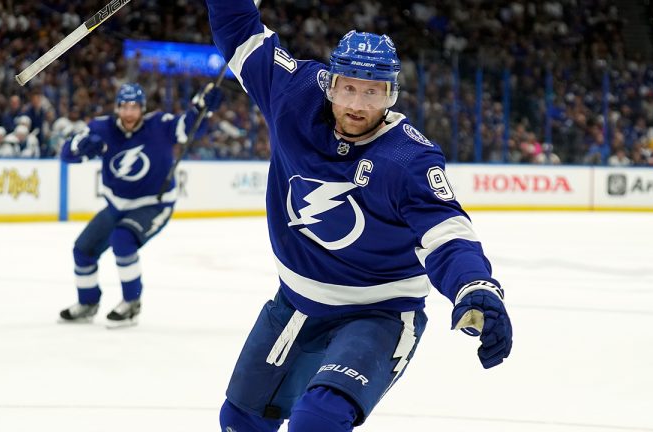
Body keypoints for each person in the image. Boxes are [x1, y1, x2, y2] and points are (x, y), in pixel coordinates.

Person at [204, 2, 513, 431]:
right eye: (349, 88)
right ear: (330, 85)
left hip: (379, 311)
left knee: (319, 420)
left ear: (391, 95)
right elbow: (239, 28)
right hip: (294, 302)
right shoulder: (293, 93)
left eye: (373, 92)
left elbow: (447, 235)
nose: (358, 104)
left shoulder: (408, 158)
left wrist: (475, 286)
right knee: (239, 420)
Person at [57, 82, 222, 328]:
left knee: (122, 240)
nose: (129, 112)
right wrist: (76, 147)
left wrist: (202, 108)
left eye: (134, 107)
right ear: (117, 108)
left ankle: (131, 303)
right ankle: (88, 303)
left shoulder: (160, 125)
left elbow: (190, 129)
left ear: (143, 108)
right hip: (116, 205)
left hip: (154, 204)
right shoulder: (101, 128)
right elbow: (66, 155)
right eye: (124, 106)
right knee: (83, 250)